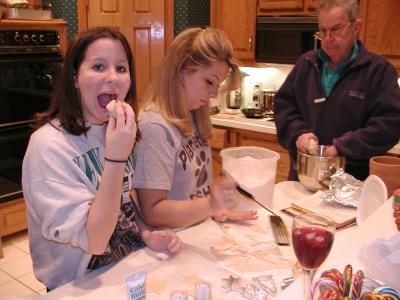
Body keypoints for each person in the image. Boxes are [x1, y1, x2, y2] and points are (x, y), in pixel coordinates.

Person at [22, 27, 181, 290]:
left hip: (125, 268)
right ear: (74, 78)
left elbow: (124, 198)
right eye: (98, 66)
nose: (113, 78)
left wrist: (146, 233)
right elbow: (94, 241)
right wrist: (116, 159)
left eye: (121, 68)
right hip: (77, 286)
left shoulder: (117, 129)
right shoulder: (48, 147)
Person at [133, 27, 258, 228]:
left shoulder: (192, 115)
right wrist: (209, 206)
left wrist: (217, 209)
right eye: (209, 81)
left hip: (196, 233)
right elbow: (154, 212)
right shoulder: (154, 127)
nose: (213, 93)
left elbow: (191, 191)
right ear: (181, 69)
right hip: (169, 246)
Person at [274, 0, 400, 181]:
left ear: (356, 27)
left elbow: (390, 124)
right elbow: (283, 107)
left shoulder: (378, 71)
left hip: (353, 183)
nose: (327, 38)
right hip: (305, 177)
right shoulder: (306, 64)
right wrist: (299, 134)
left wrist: (341, 148)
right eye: (323, 31)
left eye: (336, 29)